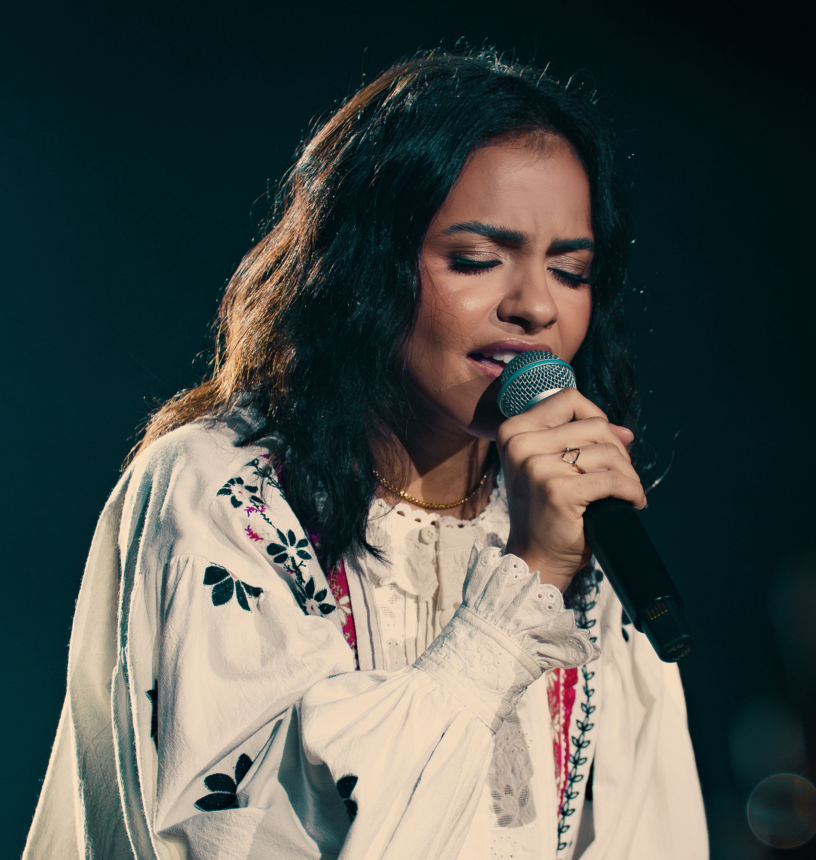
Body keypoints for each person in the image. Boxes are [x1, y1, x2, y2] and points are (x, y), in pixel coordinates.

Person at [23, 51, 708, 860]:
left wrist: (549, 561)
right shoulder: (223, 492)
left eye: (571, 270)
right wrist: (516, 594)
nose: (534, 305)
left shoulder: (576, 521)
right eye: (476, 261)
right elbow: (244, 834)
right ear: (364, 267)